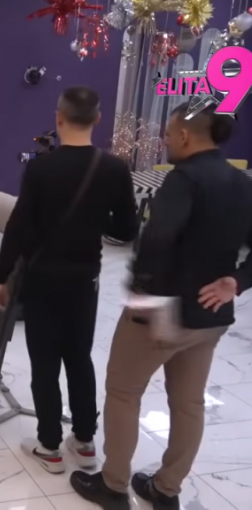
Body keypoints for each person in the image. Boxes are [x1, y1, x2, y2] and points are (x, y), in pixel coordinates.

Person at [71, 104, 252, 509]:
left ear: (185, 135)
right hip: (210, 316)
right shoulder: (241, 183)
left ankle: (113, 485)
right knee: (189, 404)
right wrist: (237, 282)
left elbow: (156, 239)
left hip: (164, 311)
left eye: (168, 133)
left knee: (124, 393)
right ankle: (166, 490)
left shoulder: (183, 179)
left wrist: (141, 295)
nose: (165, 140)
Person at [0, 86, 138, 474]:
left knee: (45, 361)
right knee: (79, 357)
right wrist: (94, 220)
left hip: (42, 279)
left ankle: (50, 446)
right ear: (98, 119)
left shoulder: (41, 168)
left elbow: (19, 227)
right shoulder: (114, 169)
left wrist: (1, 277)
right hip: (85, 280)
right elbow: (127, 229)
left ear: (59, 118)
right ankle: (85, 442)